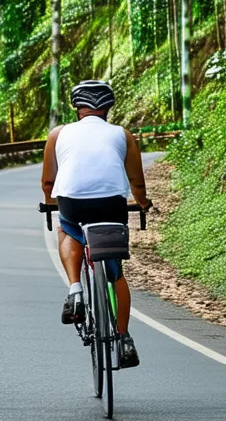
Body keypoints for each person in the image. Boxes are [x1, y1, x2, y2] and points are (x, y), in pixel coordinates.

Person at [41, 80, 151, 369]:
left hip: (72, 203)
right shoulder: (122, 134)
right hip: (112, 203)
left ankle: (75, 290)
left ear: (77, 107)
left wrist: (51, 204)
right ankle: (125, 338)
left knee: (68, 228)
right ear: (108, 107)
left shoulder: (58, 134)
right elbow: (137, 182)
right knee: (116, 272)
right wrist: (142, 202)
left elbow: (49, 182)